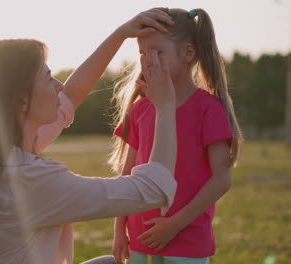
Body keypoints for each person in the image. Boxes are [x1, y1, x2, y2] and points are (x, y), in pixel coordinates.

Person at [0, 8, 179, 264]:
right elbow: (153, 189)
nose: (60, 85)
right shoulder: (28, 178)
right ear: (21, 101)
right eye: (48, 77)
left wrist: (121, 34)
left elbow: (70, 97)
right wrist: (165, 107)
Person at [110, 8, 243, 264]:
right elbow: (127, 175)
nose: (148, 60)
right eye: (141, 54)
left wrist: (174, 224)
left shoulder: (208, 109)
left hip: (187, 241)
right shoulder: (140, 108)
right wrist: (119, 230)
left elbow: (222, 179)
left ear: (188, 53)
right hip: (140, 239)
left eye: (157, 52)